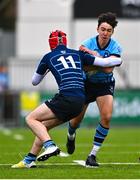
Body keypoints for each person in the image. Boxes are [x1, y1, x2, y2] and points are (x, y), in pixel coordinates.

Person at [11, 29, 122, 168]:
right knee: (43, 127)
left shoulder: (48, 57)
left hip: (66, 98)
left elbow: (34, 81)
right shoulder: (78, 54)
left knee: (31, 119)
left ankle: (50, 146)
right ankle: (29, 160)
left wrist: (47, 68)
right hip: (80, 101)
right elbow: (106, 63)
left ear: (50, 44)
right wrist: (119, 59)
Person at [66, 12, 122, 167]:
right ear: (97, 29)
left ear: (112, 32)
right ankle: (71, 134)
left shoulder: (116, 46)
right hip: (86, 83)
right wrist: (95, 56)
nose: (105, 33)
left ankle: (92, 155)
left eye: (109, 30)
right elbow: (84, 65)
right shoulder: (88, 43)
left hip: (104, 85)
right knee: (76, 121)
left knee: (107, 117)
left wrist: (95, 61)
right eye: (103, 29)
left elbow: (108, 70)